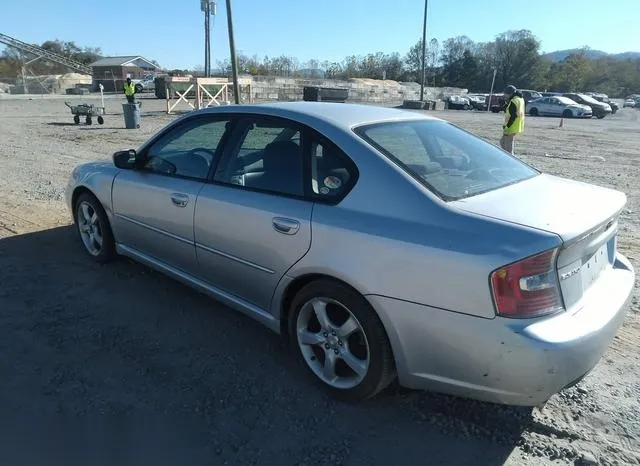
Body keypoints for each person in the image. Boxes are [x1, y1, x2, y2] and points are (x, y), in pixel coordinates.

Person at [500, 84, 525, 154]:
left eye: (506, 94)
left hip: (511, 126)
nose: (505, 96)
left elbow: (513, 116)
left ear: (510, 94)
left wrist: (507, 127)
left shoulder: (514, 101)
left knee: (508, 146)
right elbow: (509, 110)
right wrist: (504, 105)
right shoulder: (519, 99)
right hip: (516, 125)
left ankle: (509, 159)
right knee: (502, 142)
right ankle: (507, 157)